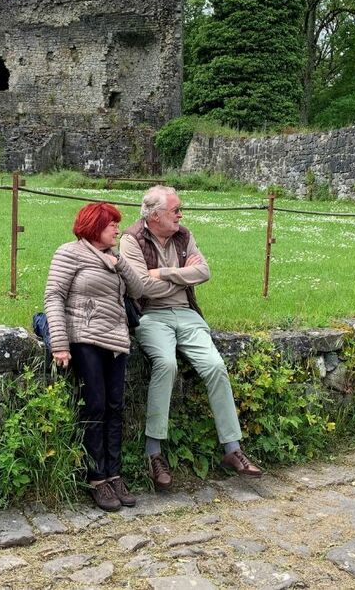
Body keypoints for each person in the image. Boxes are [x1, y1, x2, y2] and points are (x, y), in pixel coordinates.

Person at [119, 186, 262, 490]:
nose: (181, 215)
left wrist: (164, 273)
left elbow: (204, 271)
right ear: (155, 215)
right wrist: (181, 275)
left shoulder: (184, 235)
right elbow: (141, 288)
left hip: (187, 314)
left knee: (215, 366)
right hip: (152, 316)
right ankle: (154, 453)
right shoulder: (131, 239)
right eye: (176, 210)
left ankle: (232, 449)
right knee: (166, 365)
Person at [43, 202, 145, 511]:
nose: (117, 228)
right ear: (93, 226)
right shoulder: (69, 253)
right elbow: (53, 296)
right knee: (96, 405)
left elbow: (139, 290)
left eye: (117, 223)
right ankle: (97, 478)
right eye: (111, 223)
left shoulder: (114, 257)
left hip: (116, 340)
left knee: (116, 406)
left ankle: (114, 474)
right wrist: (59, 343)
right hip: (84, 337)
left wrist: (120, 263)